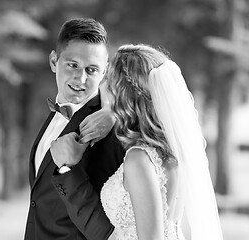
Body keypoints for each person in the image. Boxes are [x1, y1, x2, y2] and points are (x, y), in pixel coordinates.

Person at [57, 43, 224, 240]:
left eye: (108, 82)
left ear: (123, 95)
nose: (103, 88)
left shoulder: (140, 159)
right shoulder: (170, 153)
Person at [24, 18, 124, 240]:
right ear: (53, 61)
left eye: (92, 69)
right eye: (72, 65)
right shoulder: (54, 115)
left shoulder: (109, 132)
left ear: (105, 71)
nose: (81, 78)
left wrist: (67, 171)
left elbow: (105, 226)